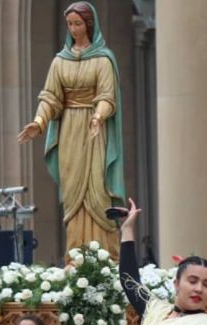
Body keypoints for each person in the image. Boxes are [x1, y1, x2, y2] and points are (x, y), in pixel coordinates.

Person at [18, 1, 124, 260]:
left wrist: (99, 116)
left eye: (78, 23)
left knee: (97, 191)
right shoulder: (59, 61)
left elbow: (108, 95)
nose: (74, 29)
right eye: (70, 24)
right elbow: (51, 97)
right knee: (73, 191)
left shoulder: (103, 59)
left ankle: (106, 255)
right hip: (69, 131)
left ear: (89, 24)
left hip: (94, 130)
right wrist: (39, 122)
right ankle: (76, 254)